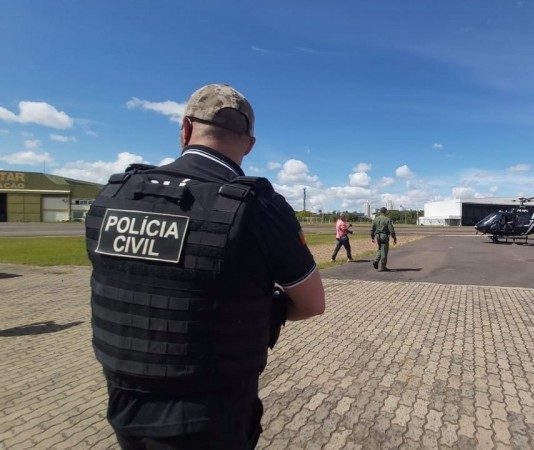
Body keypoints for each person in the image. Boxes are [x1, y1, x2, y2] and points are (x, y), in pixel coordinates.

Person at [85, 84, 325, 449]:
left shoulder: (115, 195)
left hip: (125, 402)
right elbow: (312, 304)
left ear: (184, 129)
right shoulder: (257, 207)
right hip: (211, 412)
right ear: (249, 144)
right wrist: (262, 311)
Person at [370, 207, 396, 271]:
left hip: (378, 236)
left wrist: (372, 237)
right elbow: (391, 231)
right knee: (384, 251)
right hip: (384, 237)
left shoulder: (376, 219)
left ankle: (376, 260)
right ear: (385, 212)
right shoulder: (387, 219)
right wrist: (394, 238)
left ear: (380, 211)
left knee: (380, 249)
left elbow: (372, 230)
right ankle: (382, 267)